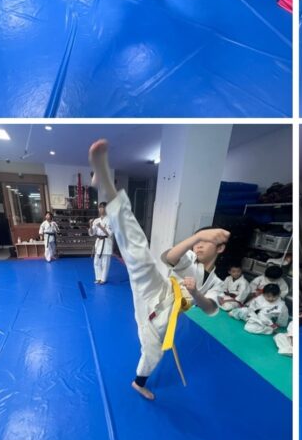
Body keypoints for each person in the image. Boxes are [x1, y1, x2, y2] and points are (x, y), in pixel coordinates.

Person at [88, 138, 228, 401]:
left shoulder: (218, 282)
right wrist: (200, 235)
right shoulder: (190, 257)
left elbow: (210, 309)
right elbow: (167, 257)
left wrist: (195, 293)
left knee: (152, 353)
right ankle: (107, 185)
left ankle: (138, 383)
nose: (199, 246)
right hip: (157, 290)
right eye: (198, 241)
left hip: (165, 316)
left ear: (220, 249)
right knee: (139, 253)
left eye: (206, 243)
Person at [90, 203, 113, 283]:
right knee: (96, 262)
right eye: (99, 207)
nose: (100, 209)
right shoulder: (96, 220)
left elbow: (109, 234)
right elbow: (92, 233)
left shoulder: (110, 220)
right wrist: (90, 225)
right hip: (99, 242)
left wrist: (100, 227)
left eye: (102, 207)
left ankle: (103, 279)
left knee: (105, 263)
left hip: (106, 242)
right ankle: (98, 278)